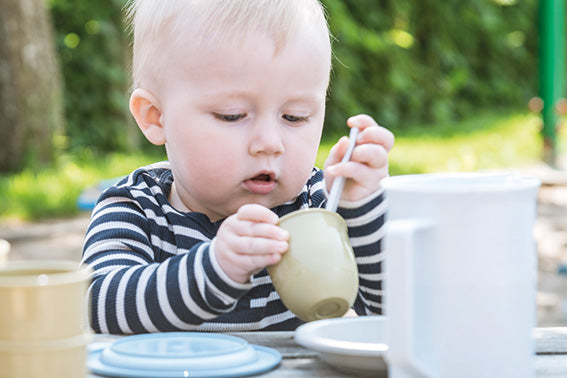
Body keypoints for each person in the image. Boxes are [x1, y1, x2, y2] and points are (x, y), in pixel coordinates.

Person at [81, 0, 394, 334]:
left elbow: (394, 307)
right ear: (156, 117)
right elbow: (96, 307)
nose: (270, 142)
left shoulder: (320, 206)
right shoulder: (136, 208)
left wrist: (362, 213)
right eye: (232, 115)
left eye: (294, 117)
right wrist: (214, 269)